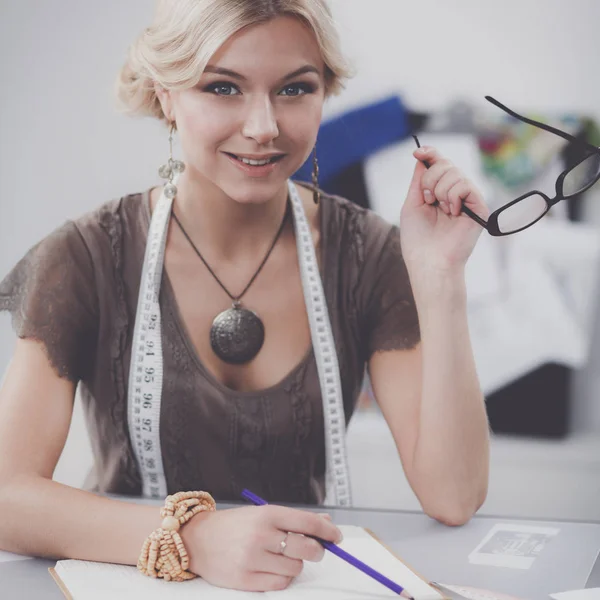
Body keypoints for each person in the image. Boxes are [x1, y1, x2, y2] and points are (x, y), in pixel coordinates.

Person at [0, 0, 490, 592]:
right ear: (165, 96)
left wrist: (440, 278)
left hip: (295, 583)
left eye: (294, 89)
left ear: (324, 93)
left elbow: (454, 496)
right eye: (223, 87)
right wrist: (192, 537)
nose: (264, 126)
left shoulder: (367, 255)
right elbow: (6, 498)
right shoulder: (84, 257)